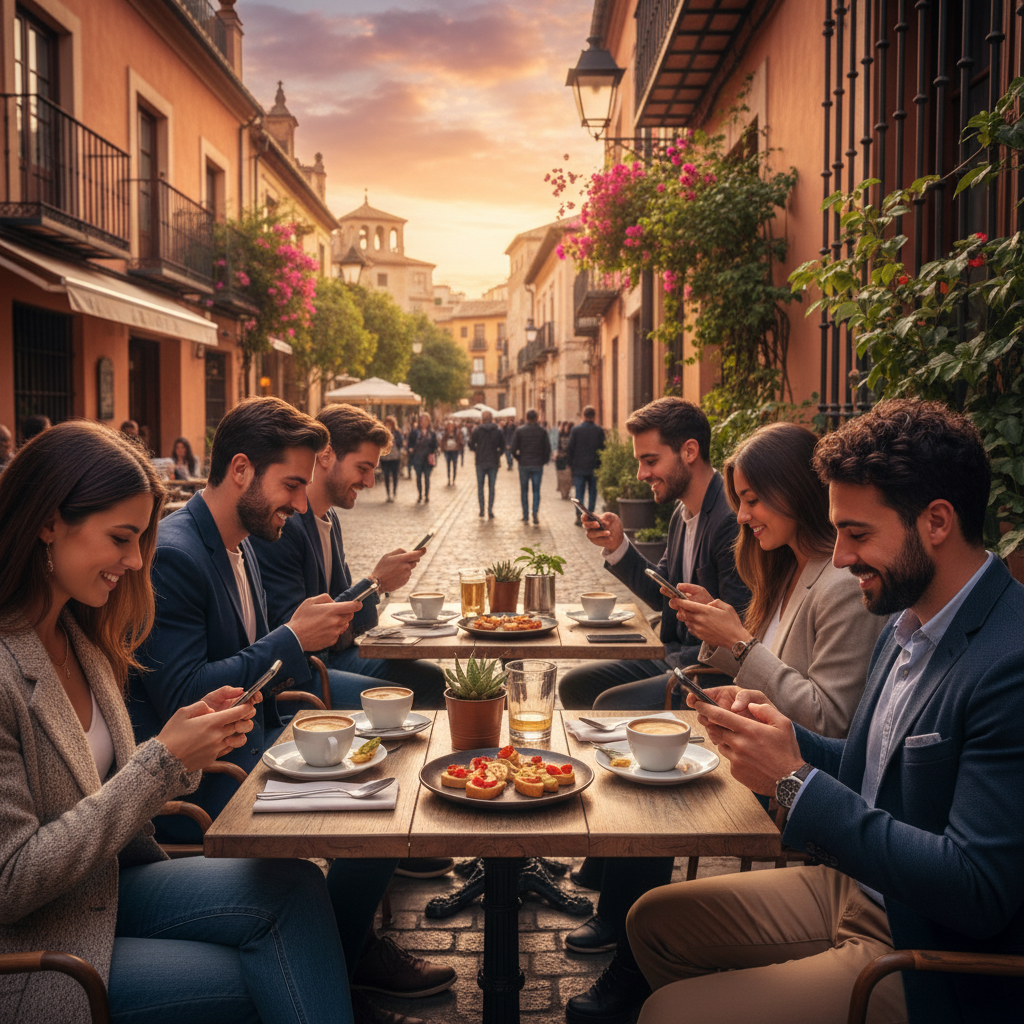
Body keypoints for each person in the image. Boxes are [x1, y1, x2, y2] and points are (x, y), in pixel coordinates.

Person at [628, 399, 1024, 1024]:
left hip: (921, 949)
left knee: (666, 1013)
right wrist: (786, 738)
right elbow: (869, 767)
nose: (838, 557)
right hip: (855, 888)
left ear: (937, 522)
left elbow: (978, 890)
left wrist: (792, 781)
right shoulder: (905, 622)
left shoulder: (1010, 661)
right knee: (652, 922)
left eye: (857, 534)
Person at [0, 421, 355, 1024]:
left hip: (108, 884)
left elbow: (104, 778)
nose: (136, 560)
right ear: (47, 522)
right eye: (121, 537)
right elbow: (11, 882)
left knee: (295, 887)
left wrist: (185, 744)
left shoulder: (80, 636)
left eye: (141, 538)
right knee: (261, 976)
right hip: (41, 938)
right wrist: (163, 759)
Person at [564, 422, 885, 1024]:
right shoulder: (787, 569)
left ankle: (630, 963)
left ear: (796, 492)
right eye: (740, 501)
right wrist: (721, 637)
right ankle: (626, 933)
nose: (743, 515)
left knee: (651, 782)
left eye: (755, 500)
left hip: (796, 782)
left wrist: (736, 645)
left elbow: (830, 720)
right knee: (644, 765)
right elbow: (762, 671)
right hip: (756, 746)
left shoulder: (838, 585)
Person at [128, 397, 430, 1024]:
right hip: (212, 782)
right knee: (374, 810)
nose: (298, 503)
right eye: (291, 484)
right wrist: (293, 638)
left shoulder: (240, 545)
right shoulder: (177, 553)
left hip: (264, 746)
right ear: (241, 469)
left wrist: (296, 643)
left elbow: (271, 663)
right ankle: (338, 977)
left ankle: (342, 967)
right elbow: (184, 694)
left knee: (391, 786)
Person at [251, 403, 447, 712]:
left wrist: (376, 588)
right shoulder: (285, 526)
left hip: (336, 656)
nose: (369, 482)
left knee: (432, 679)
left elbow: (350, 623)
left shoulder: (329, 517)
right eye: (363, 468)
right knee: (400, 703)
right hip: (301, 673)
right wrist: (375, 583)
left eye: (372, 471)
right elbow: (295, 631)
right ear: (326, 456)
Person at [558, 397, 750, 710]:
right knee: (574, 686)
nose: (641, 474)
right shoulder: (681, 513)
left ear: (689, 451)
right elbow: (661, 593)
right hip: (671, 655)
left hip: (705, 673)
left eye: (650, 461)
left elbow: (741, 630)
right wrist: (616, 545)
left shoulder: (729, 520)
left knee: (608, 704)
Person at [511, 408, 551, 524]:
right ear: (537, 418)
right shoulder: (542, 432)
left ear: (527, 418)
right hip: (537, 464)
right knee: (536, 490)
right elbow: (547, 449)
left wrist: (519, 459)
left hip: (524, 464)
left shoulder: (519, 431)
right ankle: (535, 513)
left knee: (524, 490)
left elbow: (513, 449)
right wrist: (543, 461)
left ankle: (525, 515)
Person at [567, 406, 606, 523]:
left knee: (579, 493)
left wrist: (571, 465)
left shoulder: (576, 430)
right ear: (594, 416)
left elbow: (570, 448)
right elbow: (603, 449)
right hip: (594, 467)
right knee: (593, 492)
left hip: (578, 467)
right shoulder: (599, 431)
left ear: (583, 416)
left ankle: (579, 516)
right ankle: (591, 515)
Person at [469, 409, 505, 518]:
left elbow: (471, 445)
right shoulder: (497, 431)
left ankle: (481, 509)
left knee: (480, 487)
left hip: (480, 461)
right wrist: (497, 453)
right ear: (491, 419)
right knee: (491, 487)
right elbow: (503, 446)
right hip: (493, 461)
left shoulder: (477, 431)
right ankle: (490, 509)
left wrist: (478, 450)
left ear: (482, 419)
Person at [408, 413, 438, 504]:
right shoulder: (414, 432)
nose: (424, 422)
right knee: (418, 477)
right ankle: (420, 495)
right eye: (422, 420)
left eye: (426, 420)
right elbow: (410, 443)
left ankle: (426, 495)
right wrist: (411, 448)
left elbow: (435, 445)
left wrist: (432, 450)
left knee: (427, 477)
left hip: (427, 459)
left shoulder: (432, 433)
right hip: (418, 458)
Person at [380, 414, 402, 502]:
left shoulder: (397, 432)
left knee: (395, 475)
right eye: (387, 424)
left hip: (395, 457)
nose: (388, 425)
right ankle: (388, 494)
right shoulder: (382, 433)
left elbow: (400, 443)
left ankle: (394, 492)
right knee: (386, 476)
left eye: (390, 424)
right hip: (385, 458)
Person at [555, 421, 574, 499]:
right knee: (561, 476)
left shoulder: (571, 436)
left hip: (567, 459)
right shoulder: (559, 436)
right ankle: (563, 492)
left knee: (568, 477)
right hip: (560, 459)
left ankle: (566, 491)